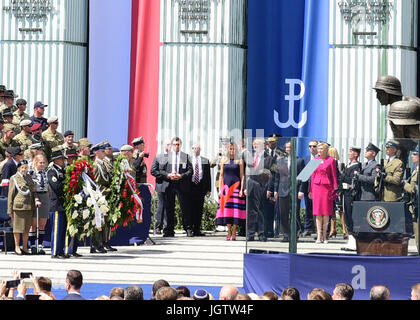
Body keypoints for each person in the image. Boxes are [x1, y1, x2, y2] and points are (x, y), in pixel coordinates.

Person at [156, 137, 193, 237]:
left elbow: (190, 171)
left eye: (178, 144)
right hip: (169, 184)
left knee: (185, 208)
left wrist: (181, 175)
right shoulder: (166, 156)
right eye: (175, 144)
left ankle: (188, 229)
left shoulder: (185, 156)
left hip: (181, 184)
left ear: (181, 145)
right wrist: (168, 175)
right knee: (169, 208)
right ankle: (169, 230)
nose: (176, 146)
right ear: (171, 145)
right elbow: (161, 170)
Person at [270, 141, 305, 242]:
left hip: (294, 190)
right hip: (282, 190)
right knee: (283, 214)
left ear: (294, 148)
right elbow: (277, 176)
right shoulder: (280, 160)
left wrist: (301, 190)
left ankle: (296, 234)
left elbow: (303, 178)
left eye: (290, 147)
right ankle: (286, 235)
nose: (288, 149)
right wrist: (275, 190)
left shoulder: (299, 161)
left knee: (295, 213)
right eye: (286, 148)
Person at [8, 160, 40, 255]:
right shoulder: (14, 178)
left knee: (26, 228)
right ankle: (17, 246)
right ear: (19, 168)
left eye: (26, 167)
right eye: (22, 167)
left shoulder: (29, 177)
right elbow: (11, 195)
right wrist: (10, 209)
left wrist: (36, 200)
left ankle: (25, 247)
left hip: (29, 206)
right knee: (18, 228)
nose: (24, 169)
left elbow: (33, 191)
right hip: (19, 206)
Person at [246, 138, 275, 242]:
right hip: (251, 186)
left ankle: (262, 233)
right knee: (251, 211)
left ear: (263, 146)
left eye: (257, 144)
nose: (254, 146)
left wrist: (269, 188)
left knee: (262, 211)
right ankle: (250, 234)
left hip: (263, 187)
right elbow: (247, 173)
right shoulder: (251, 157)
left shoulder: (270, 158)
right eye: (253, 144)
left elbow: (273, 174)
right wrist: (245, 187)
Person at [309, 142, 338, 244]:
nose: (320, 150)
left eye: (321, 149)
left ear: (326, 150)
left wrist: (335, 188)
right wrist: (310, 190)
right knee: (317, 213)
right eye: (319, 149)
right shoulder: (314, 160)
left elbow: (334, 175)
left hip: (327, 188)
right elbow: (311, 176)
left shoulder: (331, 160)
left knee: (326, 213)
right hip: (316, 187)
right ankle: (318, 236)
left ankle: (325, 236)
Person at [216, 142, 245, 241]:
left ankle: (234, 232)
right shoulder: (223, 160)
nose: (232, 151)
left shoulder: (240, 161)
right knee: (228, 210)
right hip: (226, 188)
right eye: (230, 149)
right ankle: (228, 231)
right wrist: (220, 189)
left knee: (235, 211)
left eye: (233, 149)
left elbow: (242, 175)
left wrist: (241, 189)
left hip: (236, 187)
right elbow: (221, 176)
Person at [91, 142, 115, 253]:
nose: (104, 152)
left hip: (105, 196)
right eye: (101, 151)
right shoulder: (96, 165)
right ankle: (96, 245)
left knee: (103, 221)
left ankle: (102, 243)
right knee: (98, 221)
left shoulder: (103, 164)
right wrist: (106, 190)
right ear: (96, 152)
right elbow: (96, 183)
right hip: (100, 196)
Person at [47, 147, 68, 259]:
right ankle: (55, 251)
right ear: (56, 160)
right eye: (61, 159)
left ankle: (60, 250)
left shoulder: (62, 171)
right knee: (57, 230)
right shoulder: (52, 171)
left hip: (63, 204)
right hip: (56, 204)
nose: (63, 161)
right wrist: (67, 186)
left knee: (62, 229)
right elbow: (56, 186)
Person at [28, 154, 50, 255]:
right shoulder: (31, 173)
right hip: (35, 196)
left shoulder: (46, 173)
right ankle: (32, 245)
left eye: (43, 163)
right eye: (40, 163)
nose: (42, 164)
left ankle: (40, 245)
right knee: (33, 223)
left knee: (42, 223)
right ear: (36, 163)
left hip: (45, 196)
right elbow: (31, 187)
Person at [132, 137, 152, 240]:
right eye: (142, 144)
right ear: (138, 145)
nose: (144, 146)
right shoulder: (134, 155)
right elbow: (134, 167)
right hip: (137, 187)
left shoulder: (140, 155)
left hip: (142, 186)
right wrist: (140, 157)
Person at [189, 143, 211, 236]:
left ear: (200, 149)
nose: (195, 150)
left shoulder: (205, 160)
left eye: (197, 148)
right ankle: (189, 228)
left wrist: (208, 189)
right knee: (190, 208)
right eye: (193, 148)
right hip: (191, 186)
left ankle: (197, 229)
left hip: (201, 186)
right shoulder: (188, 159)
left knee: (199, 209)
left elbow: (208, 176)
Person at [150, 139, 171, 234]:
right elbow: (153, 171)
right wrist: (165, 175)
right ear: (164, 146)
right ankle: (158, 227)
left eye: (171, 144)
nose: (170, 146)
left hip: (172, 185)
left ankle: (168, 228)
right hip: (162, 185)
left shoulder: (176, 157)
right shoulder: (159, 157)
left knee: (169, 207)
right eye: (168, 144)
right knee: (161, 207)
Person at [341, 147, 362, 236]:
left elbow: (353, 180)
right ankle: (350, 231)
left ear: (356, 154)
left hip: (351, 193)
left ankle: (353, 233)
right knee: (346, 213)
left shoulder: (357, 166)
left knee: (350, 213)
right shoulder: (348, 165)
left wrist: (343, 178)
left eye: (351, 152)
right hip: (345, 192)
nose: (349, 153)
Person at [300, 140, 319, 237]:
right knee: (308, 208)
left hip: (318, 188)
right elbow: (304, 176)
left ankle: (318, 229)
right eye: (310, 146)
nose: (312, 148)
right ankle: (308, 228)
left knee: (318, 210)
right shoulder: (306, 159)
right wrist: (301, 190)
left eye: (314, 146)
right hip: (308, 188)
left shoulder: (320, 158)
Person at [402, 147, 419, 251]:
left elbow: (413, 189)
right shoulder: (415, 169)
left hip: (417, 204)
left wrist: (404, 184)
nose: (412, 156)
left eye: (415, 154)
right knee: (416, 230)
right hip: (415, 205)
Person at [327, 146, 346, 239]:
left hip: (335, 188)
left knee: (337, 209)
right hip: (337, 188)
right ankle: (338, 229)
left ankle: (337, 229)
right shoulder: (338, 163)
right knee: (335, 209)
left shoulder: (334, 162)